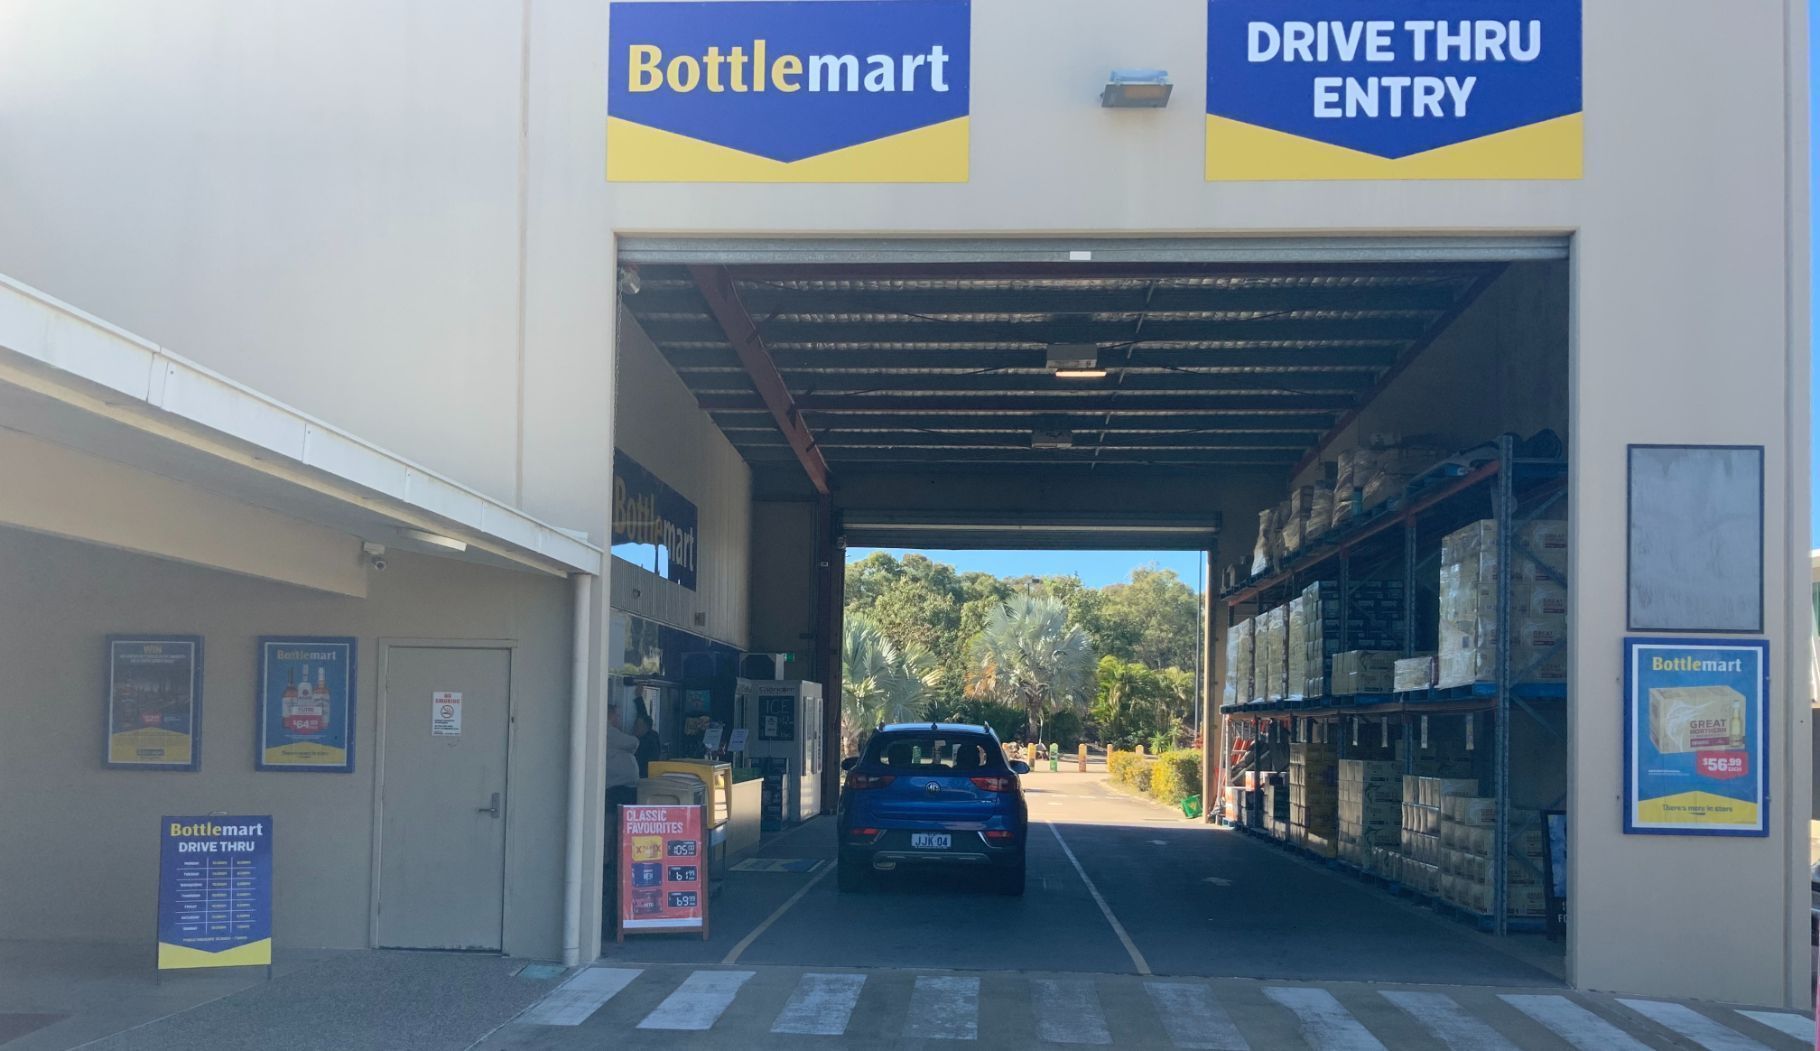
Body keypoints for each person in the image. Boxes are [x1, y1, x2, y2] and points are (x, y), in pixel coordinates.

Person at [606, 699, 640, 810]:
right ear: (611, 716)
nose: (619, 718)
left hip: (621, 785)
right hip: (616, 786)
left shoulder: (613, 733)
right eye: (618, 715)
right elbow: (633, 742)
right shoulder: (608, 731)